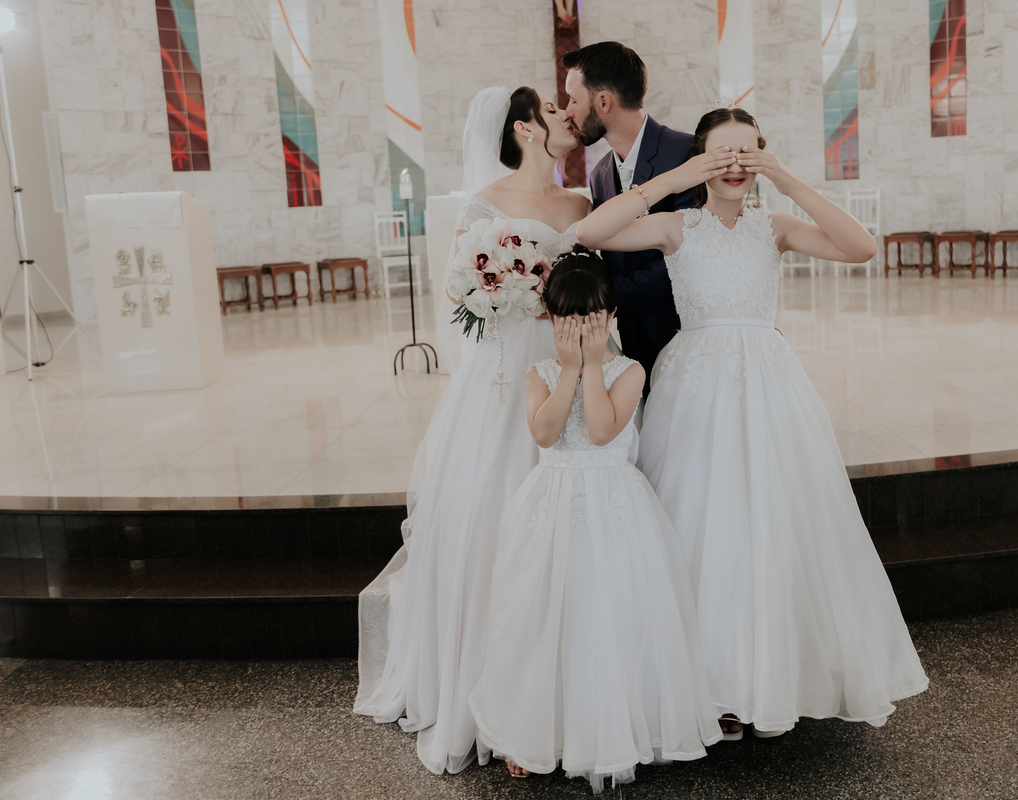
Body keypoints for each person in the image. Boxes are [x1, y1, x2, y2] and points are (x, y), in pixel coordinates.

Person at [576, 107, 928, 740]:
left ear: (763, 157)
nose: (735, 165)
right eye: (722, 153)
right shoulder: (677, 226)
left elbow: (861, 247)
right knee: (701, 522)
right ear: (702, 159)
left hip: (769, 384)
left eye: (748, 153)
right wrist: (675, 178)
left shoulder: (775, 227)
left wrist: (787, 180)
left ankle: (770, 682)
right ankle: (710, 688)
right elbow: (591, 230)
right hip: (693, 388)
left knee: (767, 524)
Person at [354, 85, 588, 775]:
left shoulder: (581, 205)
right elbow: (464, 294)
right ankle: (496, 701)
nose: (565, 115)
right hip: (503, 379)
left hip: (566, 368)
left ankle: (567, 694)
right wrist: (510, 292)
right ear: (525, 129)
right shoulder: (483, 207)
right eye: (552, 110)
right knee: (496, 519)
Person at [468, 249, 722, 792]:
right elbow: (544, 433)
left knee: (611, 614)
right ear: (551, 319)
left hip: (614, 504)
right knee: (544, 615)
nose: (581, 329)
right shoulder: (539, 374)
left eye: (592, 318)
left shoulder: (630, 371)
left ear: (611, 315)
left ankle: (617, 730)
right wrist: (568, 369)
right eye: (568, 319)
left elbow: (603, 430)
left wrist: (588, 366)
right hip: (552, 504)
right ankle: (536, 732)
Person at [562, 41, 694, 387]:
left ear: (603, 102)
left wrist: (605, 297)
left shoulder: (686, 153)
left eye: (573, 100)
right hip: (633, 339)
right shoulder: (600, 174)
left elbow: (692, 254)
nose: (567, 111)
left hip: (684, 334)